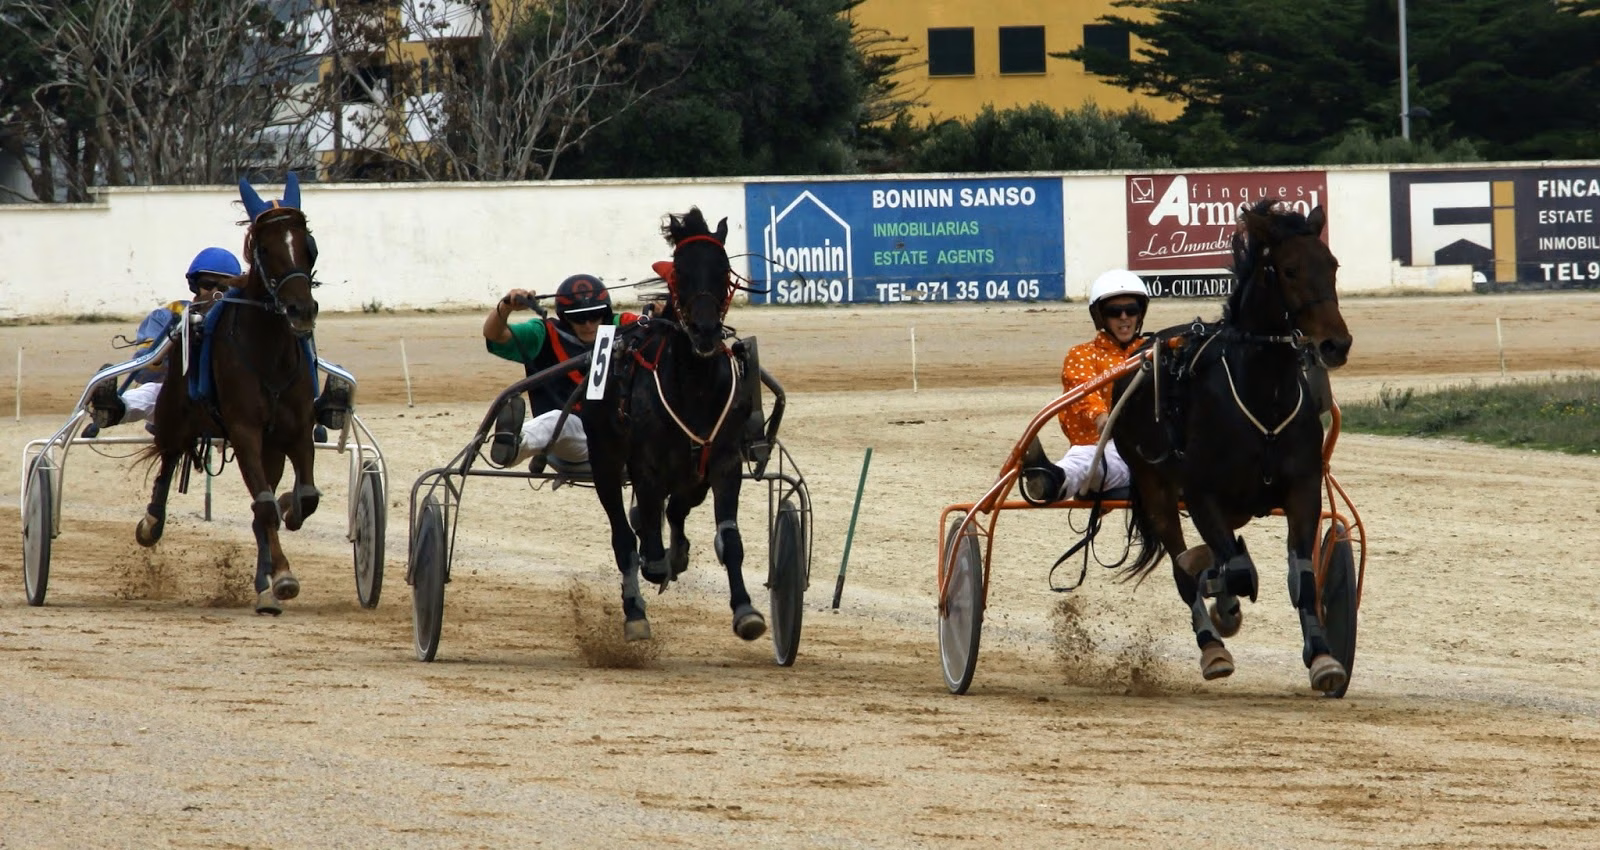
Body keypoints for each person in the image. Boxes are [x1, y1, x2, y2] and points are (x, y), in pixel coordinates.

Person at [483, 273, 645, 469]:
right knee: (554, 421)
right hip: (579, 438)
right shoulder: (544, 332)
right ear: (564, 317)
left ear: (606, 312)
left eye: (595, 316)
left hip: (632, 434)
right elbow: (494, 334)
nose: (588, 324)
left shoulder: (627, 324)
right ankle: (514, 445)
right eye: (578, 317)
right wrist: (505, 307)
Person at [1020, 269, 1151, 502]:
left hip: (1153, 450)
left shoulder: (1154, 351)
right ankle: (1048, 481)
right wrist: (1101, 417)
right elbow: (1082, 389)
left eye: (1131, 310)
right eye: (1114, 312)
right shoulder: (1083, 355)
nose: (1124, 317)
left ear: (1140, 314)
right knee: (1087, 461)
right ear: (1101, 317)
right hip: (1100, 448)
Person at [88, 247, 240, 431]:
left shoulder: (243, 322)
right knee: (153, 393)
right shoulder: (170, 315)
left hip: (233, 401)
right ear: (195, 284)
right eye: (208, 284)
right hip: (180, 401)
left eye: (224, 287)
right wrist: (167, 349)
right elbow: (144, 372)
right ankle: (113, 409)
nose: (215, 291)